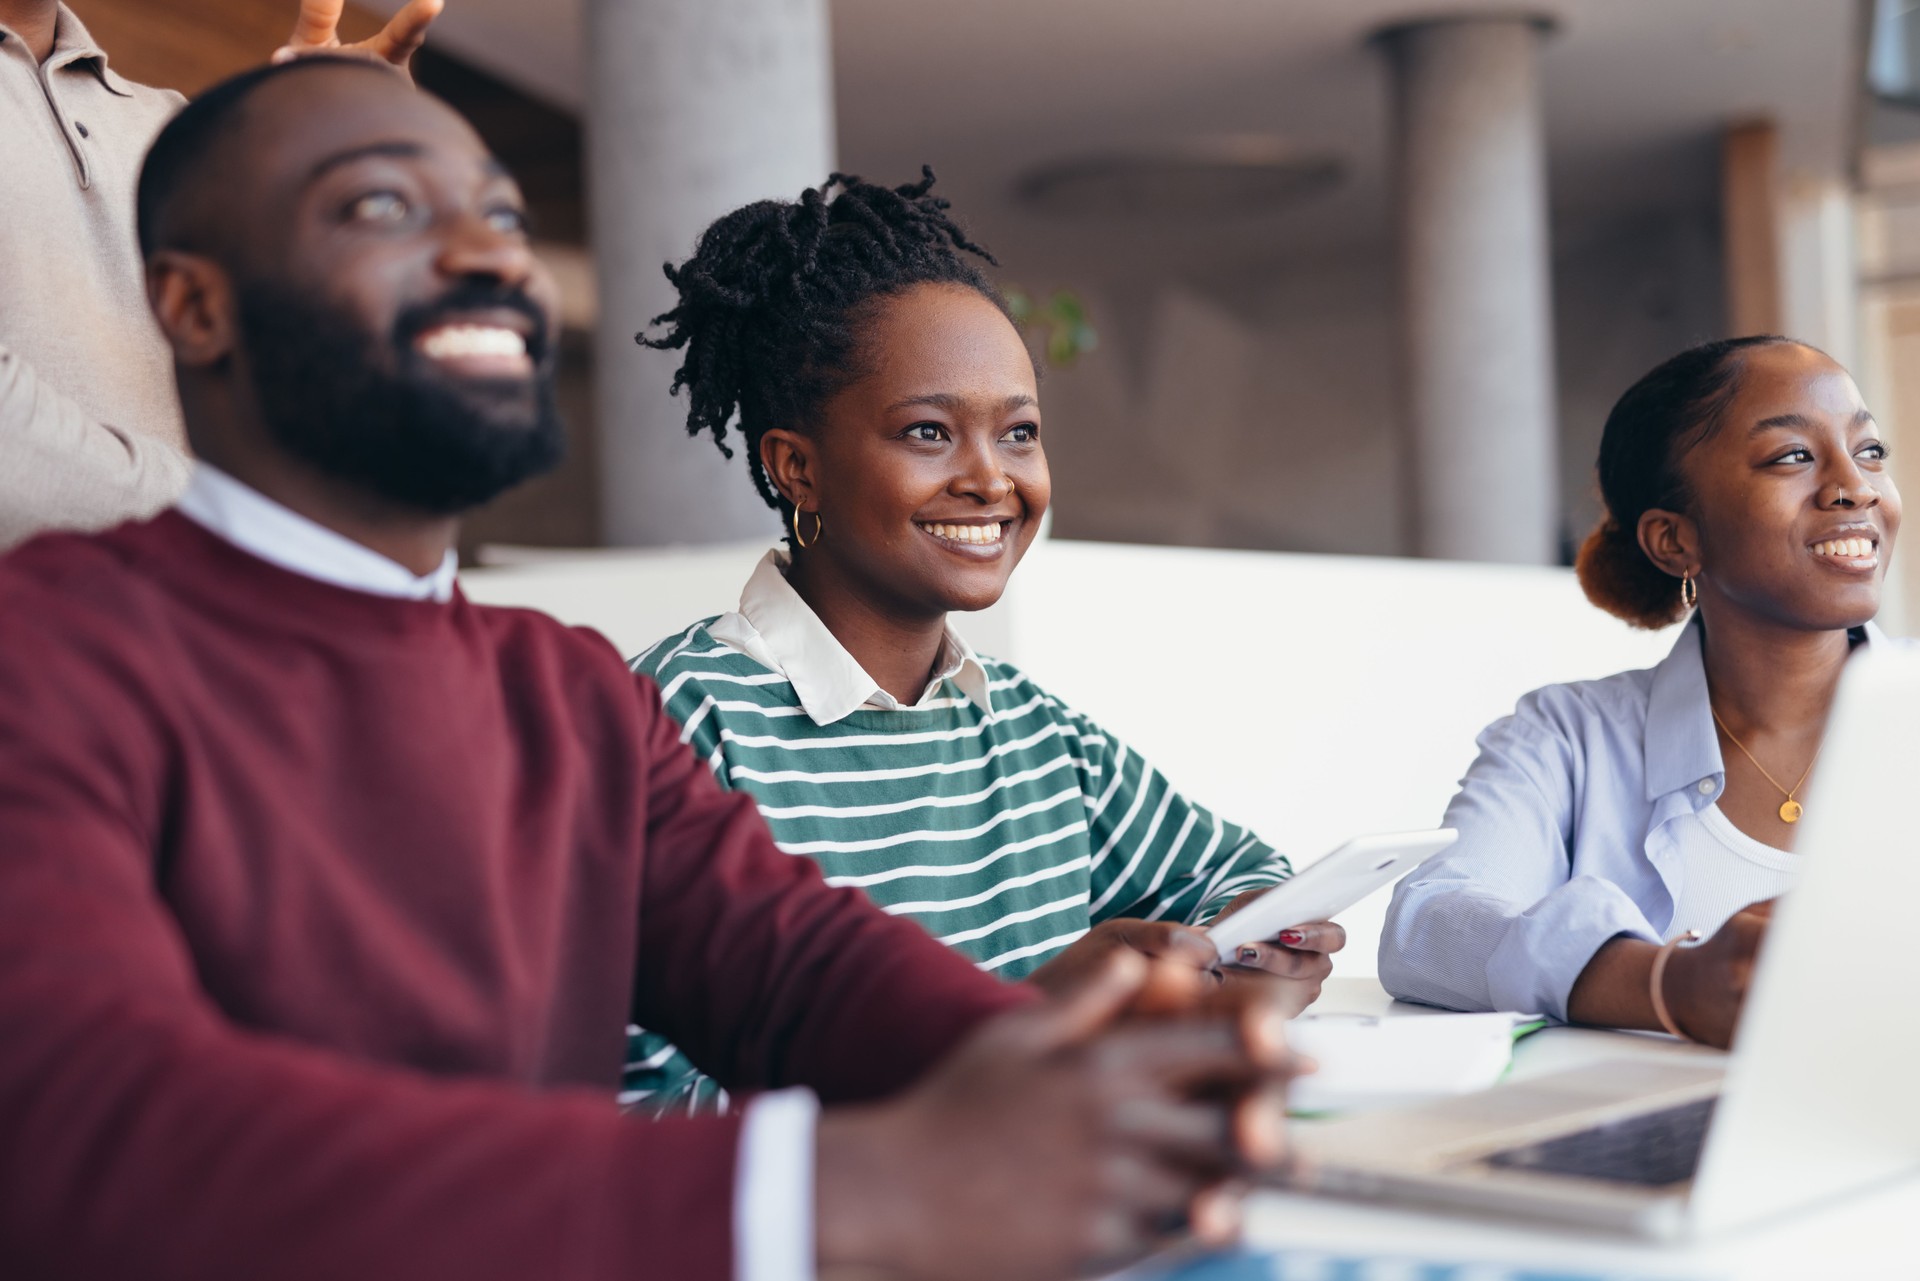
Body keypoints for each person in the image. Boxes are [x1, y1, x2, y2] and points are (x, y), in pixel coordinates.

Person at [0, 57, 1305, 1281]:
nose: (483, 254)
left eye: (504, 217)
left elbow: (797, 969)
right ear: (195, 304)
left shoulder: (561, 692)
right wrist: (833, 1185)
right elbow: (87, 1123)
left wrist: (1091, 1076)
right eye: (384, 206)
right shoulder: (46, 653)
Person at [623, 170, 1342, 1113]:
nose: (991, 479)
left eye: (1020, 433)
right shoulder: (674, 726)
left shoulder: (1032, 732)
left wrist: (1230, 965)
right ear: (797, 468)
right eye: (929, 432)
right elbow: (630, 1109)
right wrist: (1005, 1029)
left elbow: (1244, 874)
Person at [1379, 336, 1902, 1049]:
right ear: (1674, 541)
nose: (1857, 486)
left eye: (1870, 451)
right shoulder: (1567, 737)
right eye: (1792, 456)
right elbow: (1428, 925)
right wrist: (1668, 984)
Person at [0, 0, 439, 548]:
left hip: (218, 613)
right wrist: (249, 518)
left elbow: (318, 350)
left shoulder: (173, 125)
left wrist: (352, 161)